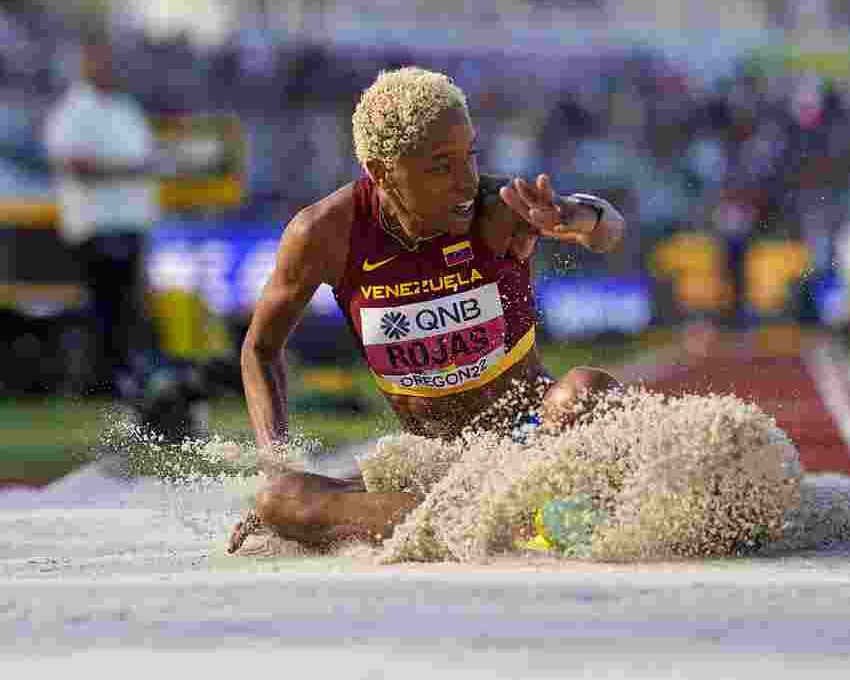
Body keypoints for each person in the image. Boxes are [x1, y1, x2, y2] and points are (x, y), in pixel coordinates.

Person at [227, 67, 627, 554]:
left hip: (533, 440)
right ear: (382, 171)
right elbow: (260, 349)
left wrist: (574, 217)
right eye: (441, 166)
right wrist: (277, 459)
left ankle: (500, 516)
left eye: (470, 156)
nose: (466, 182)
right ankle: (505, 519)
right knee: (279, 498)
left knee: (586, 390)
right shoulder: (324, 233)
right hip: (429, 465)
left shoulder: (500, 207)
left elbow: (607, 229)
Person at [44, 34, 162, 395]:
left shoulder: (126, 108)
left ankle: (125, 380)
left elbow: (148, 158)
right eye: (100, 61)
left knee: (129, 310)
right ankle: (100, 383)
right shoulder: (73, 111)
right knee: (103, 309)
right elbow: (71, 163)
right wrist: (127, 170)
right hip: (97, 224)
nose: (109, 68)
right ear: (85, 65)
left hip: (132, 221)